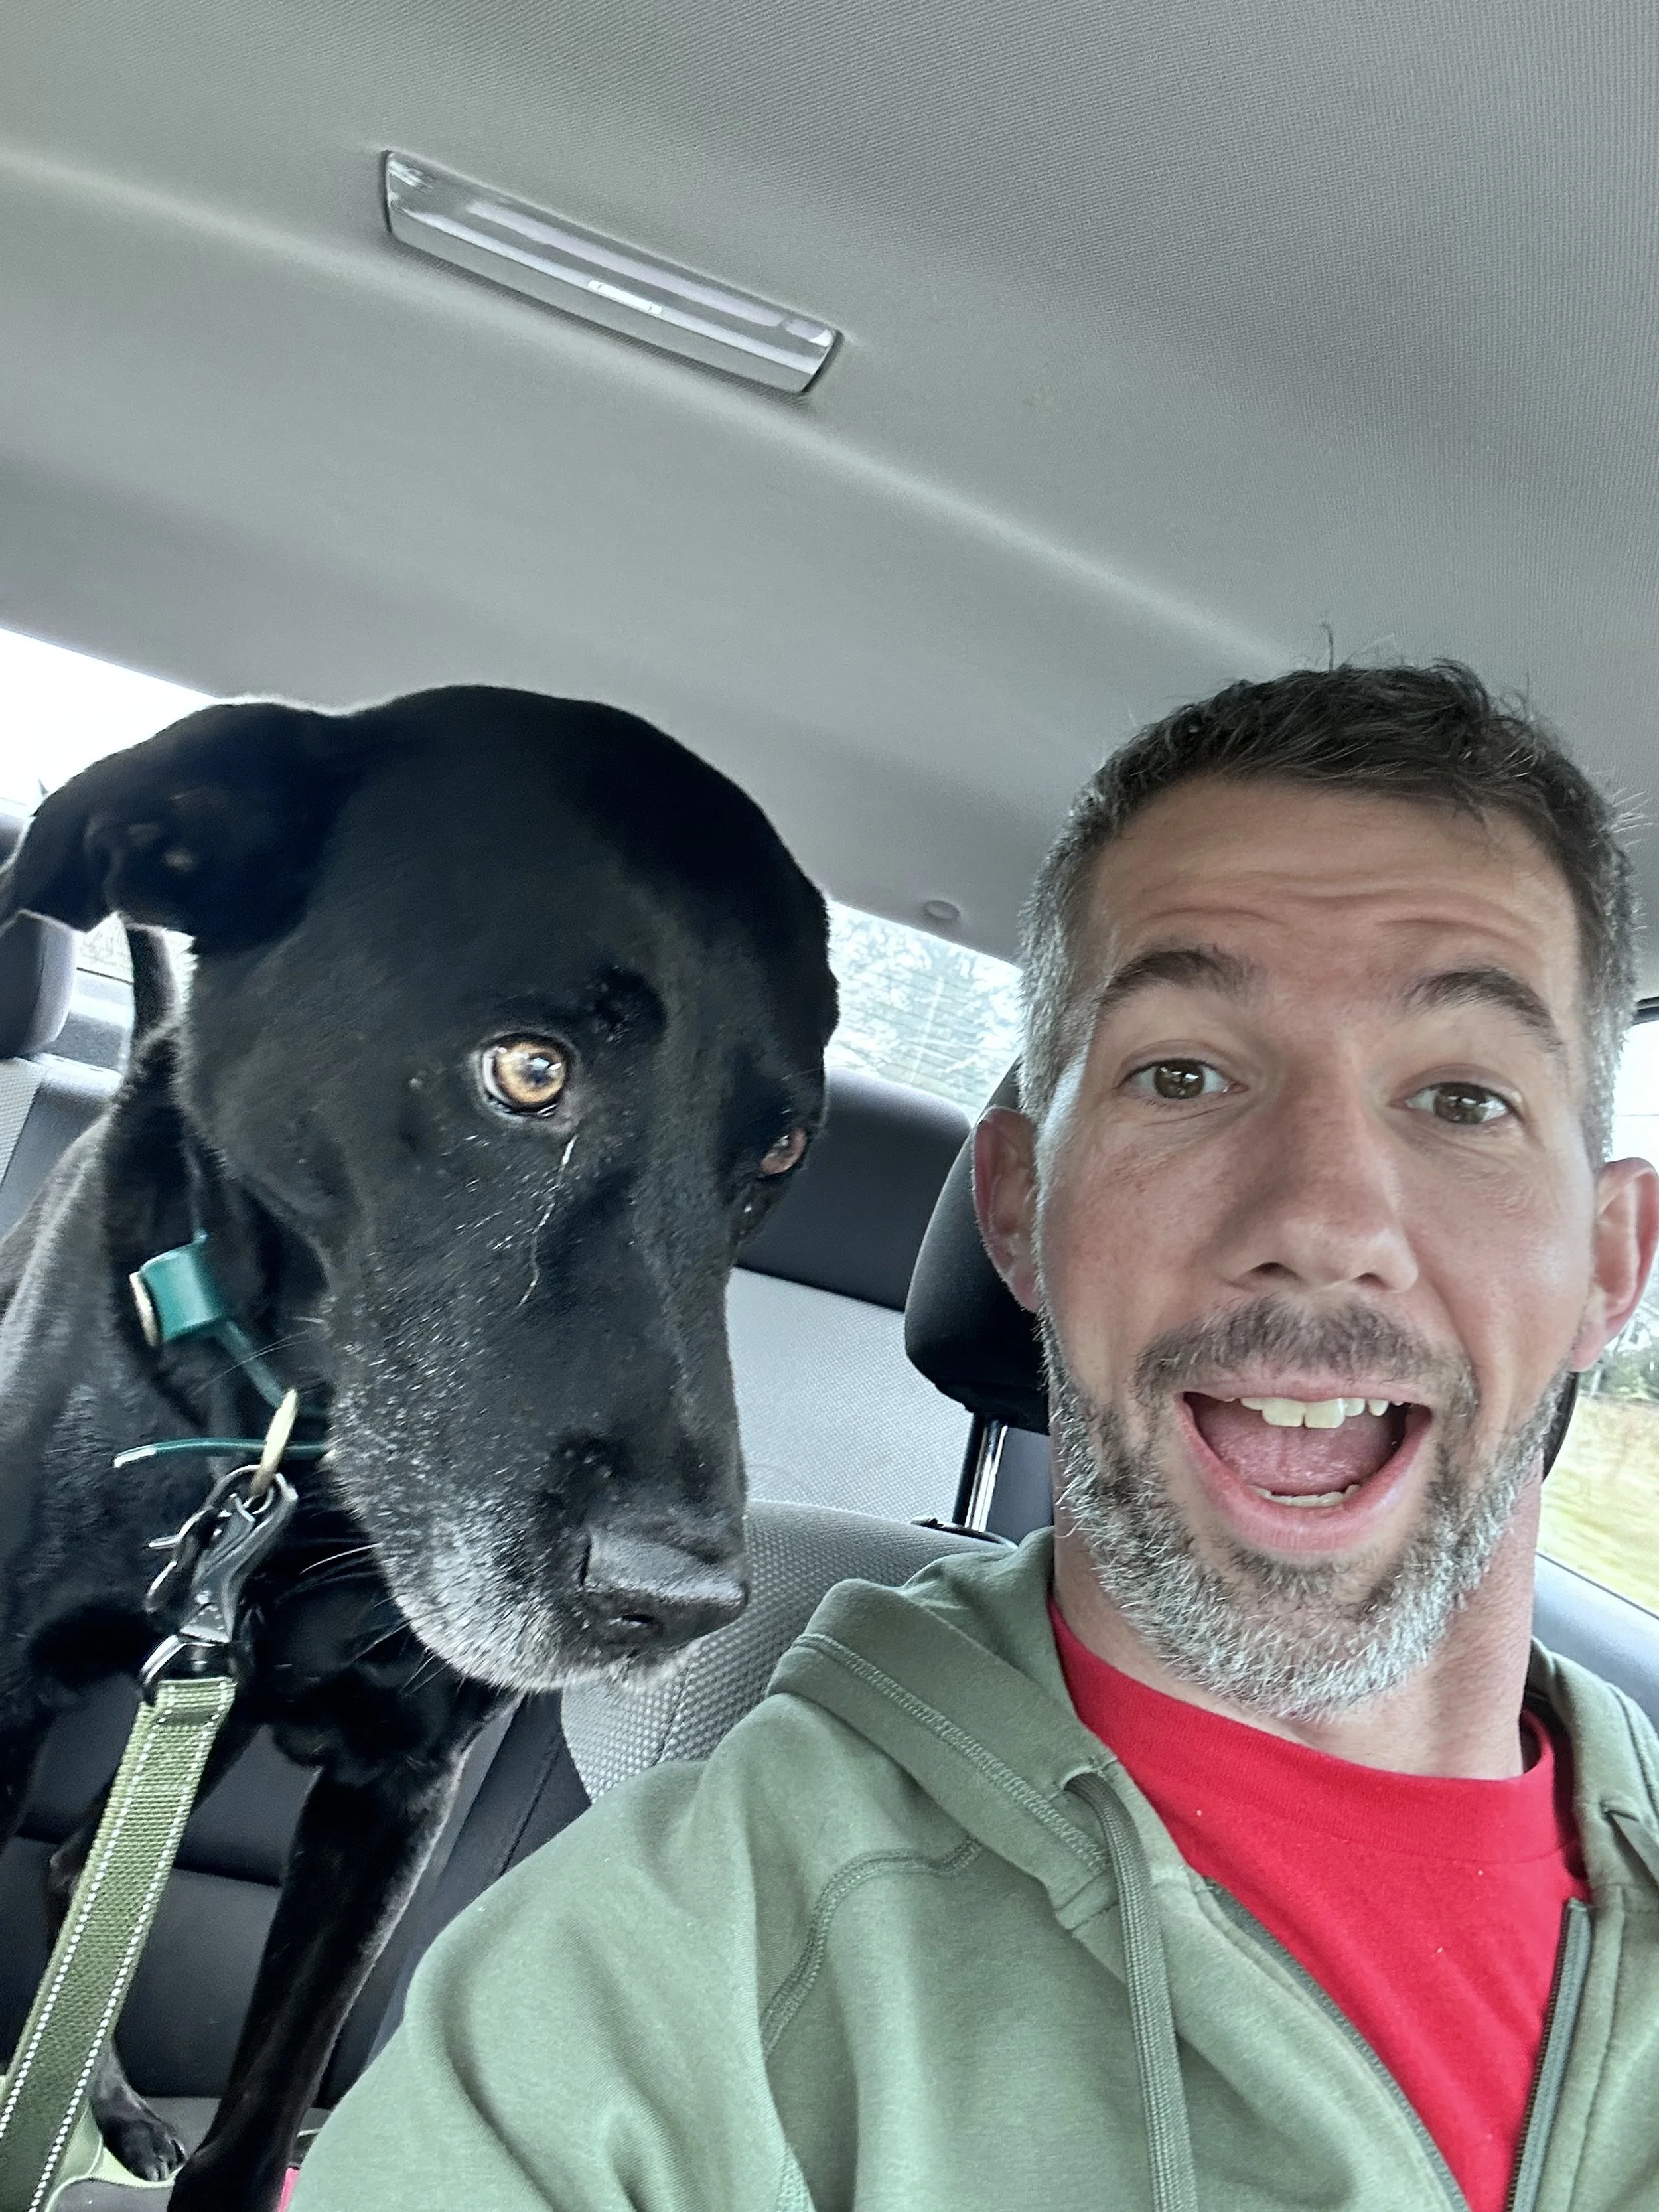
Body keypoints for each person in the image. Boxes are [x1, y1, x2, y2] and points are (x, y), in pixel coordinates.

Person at [295, 662, 1659, 2212]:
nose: (1320, 1219)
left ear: (1608, 1261)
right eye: (1184, 1073)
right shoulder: (652, 1994)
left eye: (1464, 1099)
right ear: (1016, 1208)